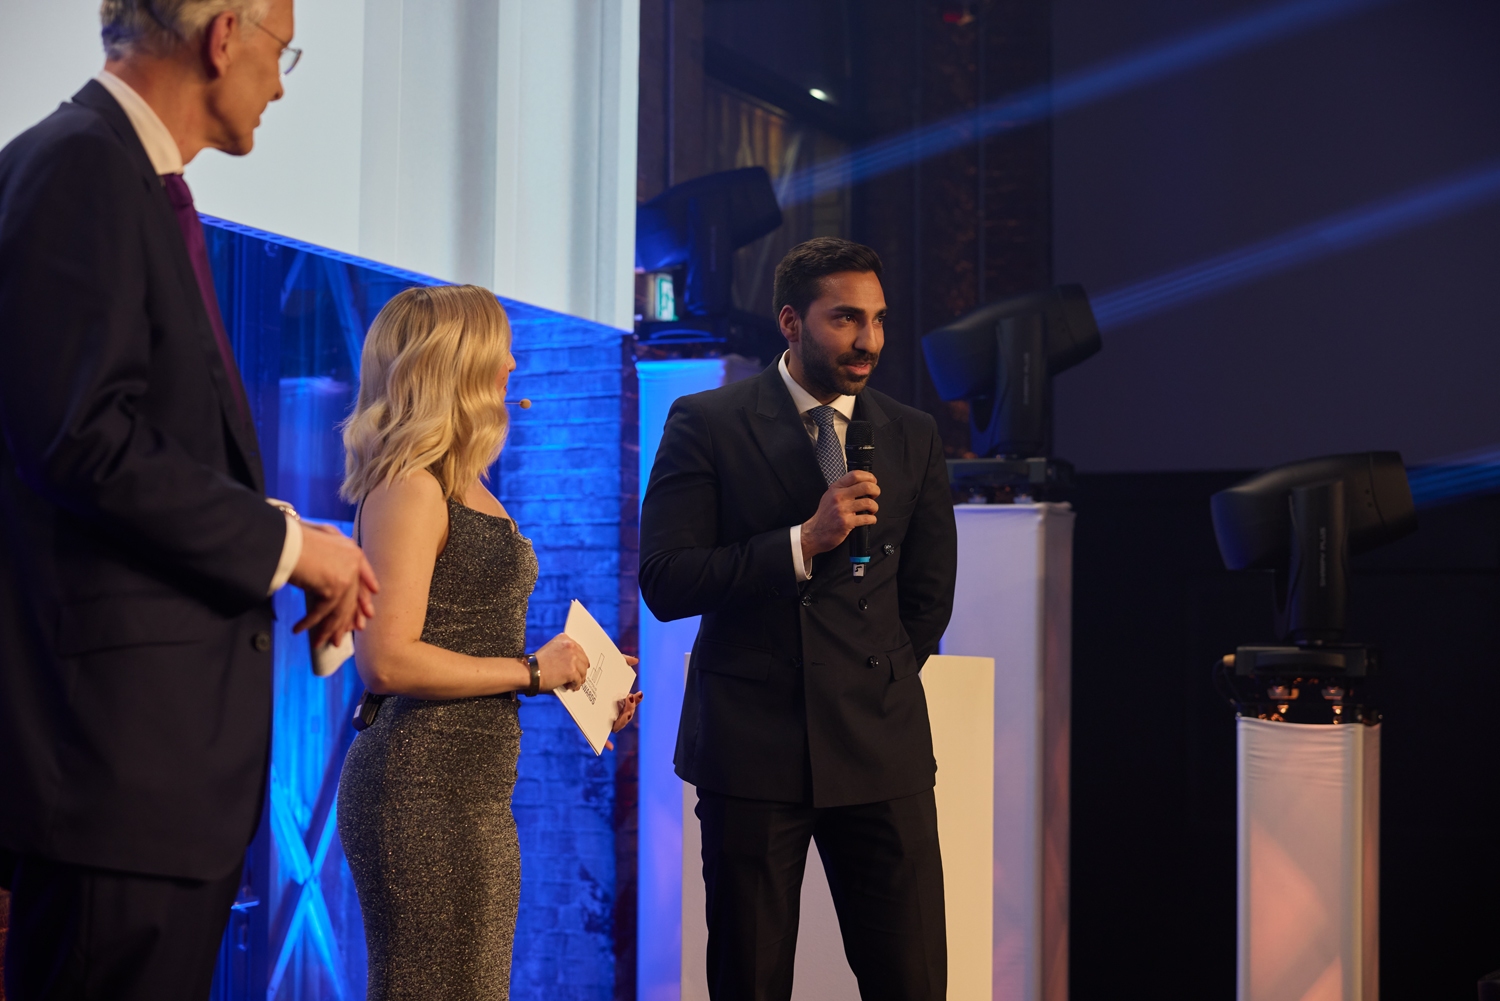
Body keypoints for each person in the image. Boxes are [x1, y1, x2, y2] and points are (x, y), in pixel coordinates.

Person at [0, 1, 379, 998]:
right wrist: (291, 549)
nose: (281, 83)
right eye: (281, 51)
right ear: (223, 35)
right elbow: (81, 439)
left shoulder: (115, 176)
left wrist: (290, 537)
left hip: (146, 785)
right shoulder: (80, 167)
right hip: (113, 776)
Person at [640, 237, 958, 1000]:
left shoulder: (911, 432)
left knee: (913, 981)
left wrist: (868, 678)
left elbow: (927, 597)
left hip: (881, 745)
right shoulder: (707, 420)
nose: (869, 340)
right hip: (752, 747)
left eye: (879, 319)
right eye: (846, 318)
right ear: (790, 321)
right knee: (750, 982)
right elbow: (666, 579)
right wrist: (801, 542)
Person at [336, 284, 643, 1001]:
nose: (511, 364)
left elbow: (464, 632)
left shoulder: (457, 482)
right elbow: (385, 659)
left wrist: (579, 676)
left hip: (471, 788)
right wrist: (533, 669)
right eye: (499, 348)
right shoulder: (410, 486)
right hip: (419, 785)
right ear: (457, 361)